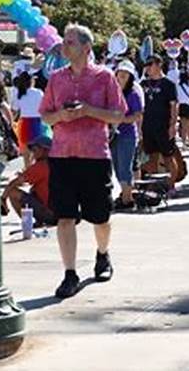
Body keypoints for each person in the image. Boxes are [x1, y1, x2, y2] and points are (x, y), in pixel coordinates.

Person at [39, 23, 127, 299]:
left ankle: (103, 254)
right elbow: (45, 114)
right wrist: (60, 117)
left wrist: (88, 110)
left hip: (94, 155)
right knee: (65, 218)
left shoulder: (104, 77)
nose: (64, 47)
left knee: (100, 217)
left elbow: (118, 115)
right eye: (64, 42)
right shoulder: (56, 78)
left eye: (70, 43)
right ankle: (70, 273)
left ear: (86, 48)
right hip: (62, 155)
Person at [140, 55, 179, 187]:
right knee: (151, 158)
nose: (148, 68)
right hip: (147, 126)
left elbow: (174, 106)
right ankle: (153, 187)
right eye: (146, 65)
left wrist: (173, 125)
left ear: (159, 64)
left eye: (150, 64)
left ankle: (171, 186)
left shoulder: (168, 84)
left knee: (168, 157)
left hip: (163, 126)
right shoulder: (143, 84)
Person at [0, 135, 56, 227]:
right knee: (33, 191)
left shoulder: (41, 166)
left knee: (13, 192)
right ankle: (38, 222)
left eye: (35, 149)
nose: (32, 153)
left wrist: (3, 198)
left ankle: (27, 225)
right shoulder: (54, 163)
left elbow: (14, 183)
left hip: (51, 215)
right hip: (63, 214)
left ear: (45, 150)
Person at [112, 60, 143, 208]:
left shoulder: (133, 94)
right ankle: (126, 194)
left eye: (125, 75)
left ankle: (127, 198)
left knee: (125, 166)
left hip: (127, 135)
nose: (121, 78)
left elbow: (137, 115)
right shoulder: (111, 92)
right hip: (113, 135)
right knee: (117, 167)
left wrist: (123, 119)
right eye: (119, 74)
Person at [12, 71, 50, 168]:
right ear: (31, 81)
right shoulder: (38, 92)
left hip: (24, 123)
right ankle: (37, 170)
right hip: (38, 122)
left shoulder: (19, 93)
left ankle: (27, 170)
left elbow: (15, 109)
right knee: (38, 149)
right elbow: (44, 107)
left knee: (25, 152)